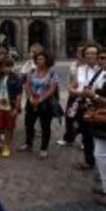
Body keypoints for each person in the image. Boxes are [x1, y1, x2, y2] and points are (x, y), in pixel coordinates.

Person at [68, 42, 103, 170]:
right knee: (86, 135)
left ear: (99, 55)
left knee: (100, 137)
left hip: (99, 106)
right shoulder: (80, 69)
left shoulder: (103, 70)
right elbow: (72, 86)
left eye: (93, 53)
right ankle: (89, 161)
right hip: (83, 106)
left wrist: (93, 95)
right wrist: (78, 92)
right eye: (88, 53)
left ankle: (101, 164)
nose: (90, 55)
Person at [20, 50, 59, 159]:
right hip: (32, 101)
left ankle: (43, 148)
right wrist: (30, 97)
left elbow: (53, 88)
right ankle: (28, 143)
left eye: (41, 59)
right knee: (28, 123)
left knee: (45, 126)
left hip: (45, 103)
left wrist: (41, 99)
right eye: (37, 59)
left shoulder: (51, 72)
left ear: (46, 60)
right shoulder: (32, 71)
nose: (39, 61)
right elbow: (27, 84)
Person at [82, 47, 106, 205]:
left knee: (101, 155)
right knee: (99, 154)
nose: (103, 60)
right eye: (101, 57)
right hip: (100, 119)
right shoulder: (102, 74)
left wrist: (94, 95)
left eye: (104, 58)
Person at [0, 58, 22, 158]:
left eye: (9, 66)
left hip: (10, 106)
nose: (7, 68)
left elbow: (19, 94)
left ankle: (6, 146)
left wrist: (16, 108)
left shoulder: (15, 77)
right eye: (4, 66)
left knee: (9, 128)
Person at [57, 46, 85, 146]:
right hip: (73, 94)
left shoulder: (88, 66)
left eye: (81, 53)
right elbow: (71, 78)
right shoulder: (73, 64)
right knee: (69, 116)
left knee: (82, 118)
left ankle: (84, 140)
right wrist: (69, 87)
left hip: (84, 95)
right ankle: (68, 138)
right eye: (78, 52)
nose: (79, 55)